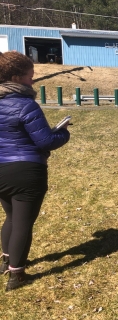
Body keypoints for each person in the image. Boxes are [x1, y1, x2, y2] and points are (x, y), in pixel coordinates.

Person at [0, 51, 70, 291]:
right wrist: (63, 132)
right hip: (26, 170)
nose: (33, 80)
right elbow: (45, 141)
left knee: (10, 216)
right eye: (31, 76)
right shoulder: (25, 104)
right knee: (22, 222)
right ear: (16, 77)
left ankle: (7, 260)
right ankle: (16, 275)